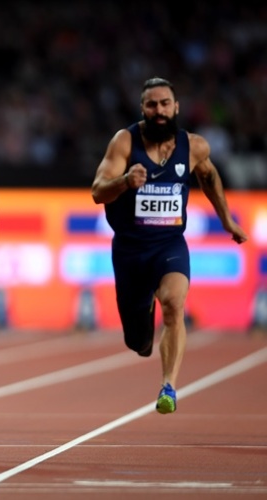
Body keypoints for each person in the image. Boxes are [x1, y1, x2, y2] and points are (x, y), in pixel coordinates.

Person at [91, 77, 247, 414]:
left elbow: (208, 176)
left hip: (169, 244)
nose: (158, 111)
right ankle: (143, 311)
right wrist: (124, 181)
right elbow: (97, 191)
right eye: (152, 105)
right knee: (138, 342)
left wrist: (226, 220)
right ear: (143, 109)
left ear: (176, 108)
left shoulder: (193, 146)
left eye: (164, 104)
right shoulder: (124, 142)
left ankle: (169, 387)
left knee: (174, 304)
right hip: (130, 250)